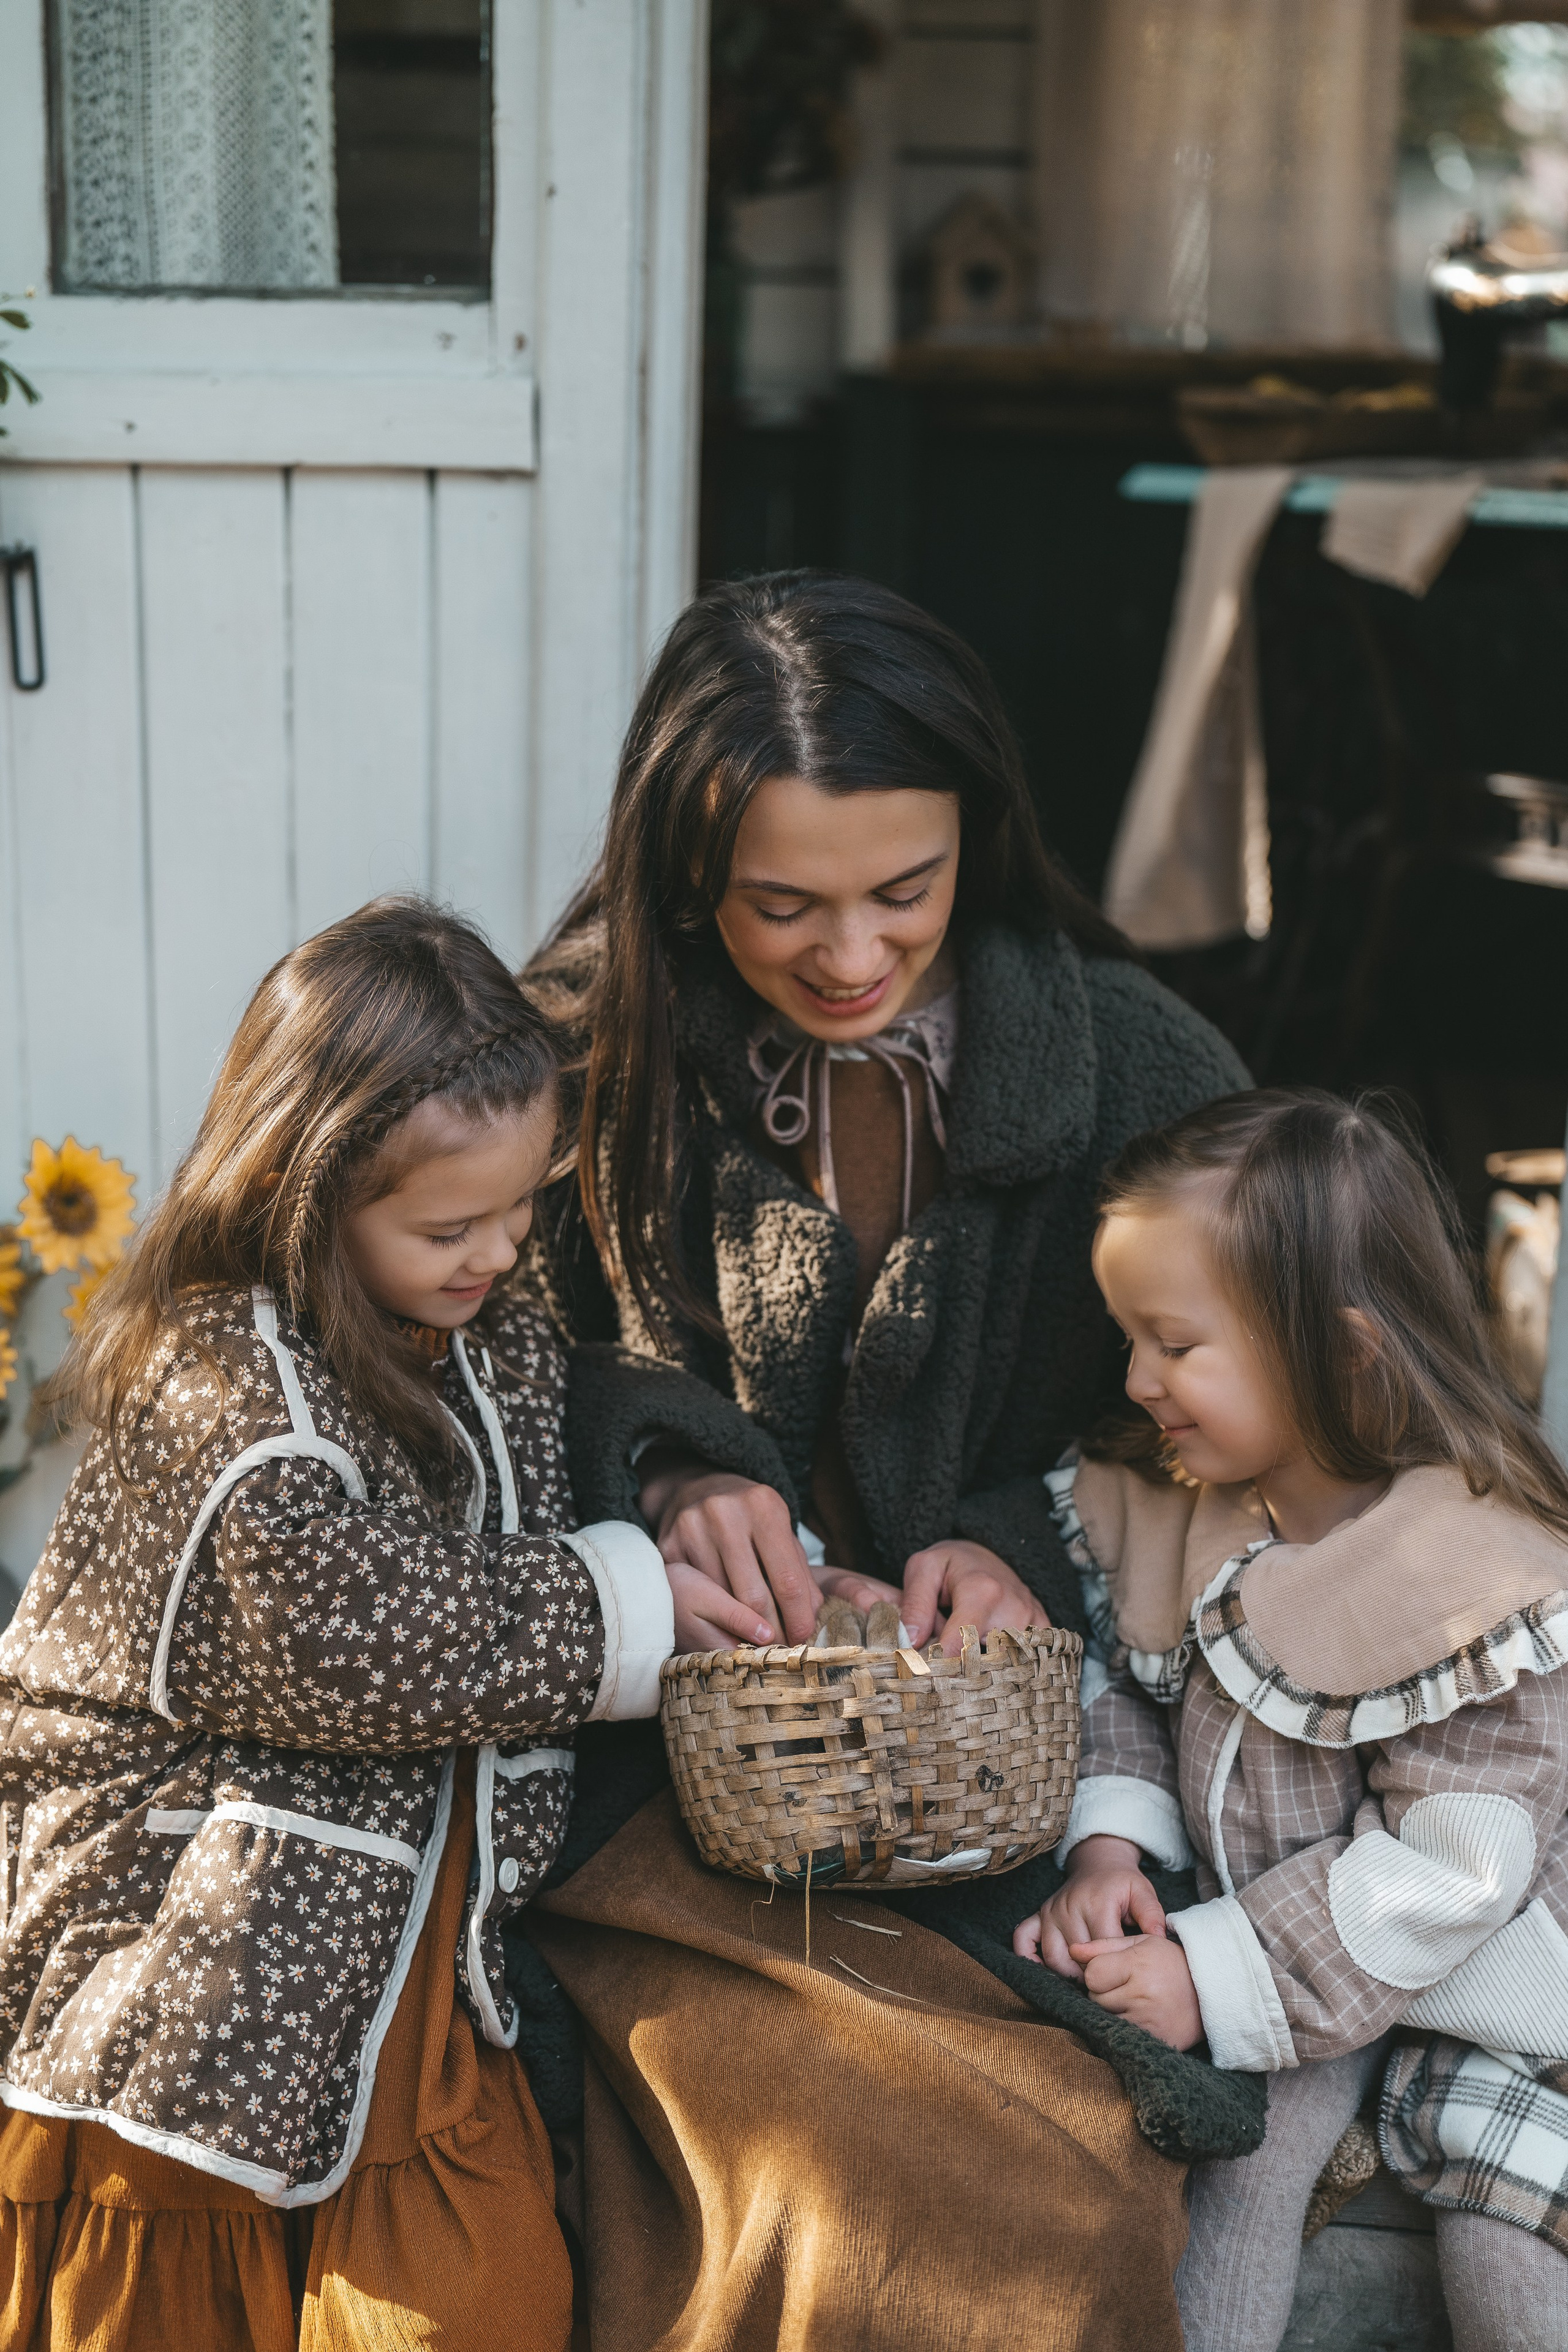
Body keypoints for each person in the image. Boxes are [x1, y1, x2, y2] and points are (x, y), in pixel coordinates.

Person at [517, 570, 1254, 2350]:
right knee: (790, 2180)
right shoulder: (572, 1066)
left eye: (902, 896)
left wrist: (1028, 1539)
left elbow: (1258, 1412)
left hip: (1030, 1805)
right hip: (674, 1816)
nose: (850, 956)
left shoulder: (1134, 1073)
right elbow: (474, 1368)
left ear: (979, 849)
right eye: (785, 906)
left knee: (1061, 2193)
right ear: (687, 874)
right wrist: (670, 1469)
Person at [0, 897, 673, 2352]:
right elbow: (344, 1636)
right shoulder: (214, 1372)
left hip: (414, 1969)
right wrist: (636, 1603)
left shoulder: (483, 1332)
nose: (496, 1252)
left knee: (479, 2306)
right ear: (306, 1189)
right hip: (192, 1945)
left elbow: (561, 1465)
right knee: (177, 2302)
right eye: (448, 1224)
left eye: (521, 1207)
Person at [1016, 1088, 1568, 2352]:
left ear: (1339, 1351)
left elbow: (1448, 1874)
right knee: (1242, 2172)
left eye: (1171, 1343)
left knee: (1503, 2245)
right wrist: (1109, 1848)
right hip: (1289, 1974)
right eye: (1128, 1339)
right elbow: (1128, 1692)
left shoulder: (1471, 1577)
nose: (1134, 1379)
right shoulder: (1199, 1511)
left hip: (1491, 1991)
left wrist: (1207, 1971)